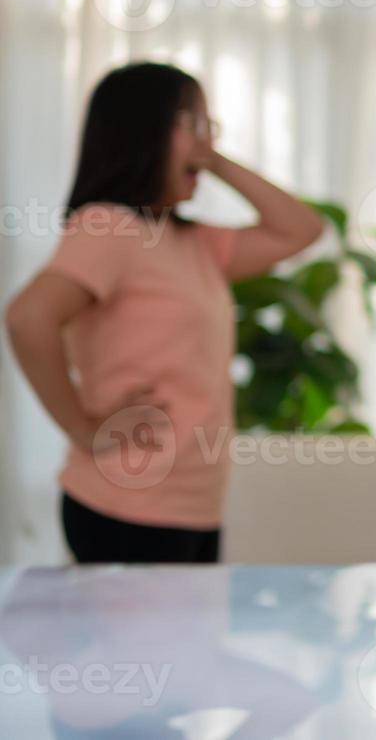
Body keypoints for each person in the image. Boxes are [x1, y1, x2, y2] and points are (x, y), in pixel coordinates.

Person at [4, 62, 325, 563]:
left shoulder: (191, 242)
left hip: (195, 505)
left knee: (188, 645)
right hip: (127, 505)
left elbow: (302, 229)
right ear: (142, 131)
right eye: (190, 123)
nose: (205, 140)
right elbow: (28, 318)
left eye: (208, 126)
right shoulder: (108, 227)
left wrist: (211, 159)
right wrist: (82, 429)